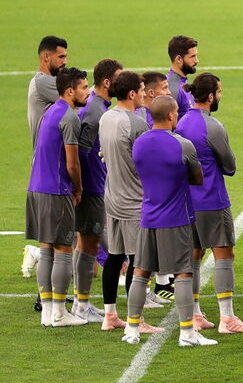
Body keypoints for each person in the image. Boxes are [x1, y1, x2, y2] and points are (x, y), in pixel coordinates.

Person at [122, 95, 215, 347]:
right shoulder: (183, 145)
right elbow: (198, 178)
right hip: (176, 217)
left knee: (140, 272)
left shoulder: (139, 143)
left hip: (148, 216)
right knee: (183, 273)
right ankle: (187, 333)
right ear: (172, 115)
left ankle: (131, 329)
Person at [176, 72, 243, 334]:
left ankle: (196, 314)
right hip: (212, 199)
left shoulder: (180, 122)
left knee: (193, 256)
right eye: (219, 92)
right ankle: (227, 318)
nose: (221, 96)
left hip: (187, 201)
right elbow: (230, 165)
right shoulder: (213, 126)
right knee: (224, 254)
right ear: (210, 96)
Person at [99, 71, 162, 333]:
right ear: (133, 94)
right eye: (141, 89)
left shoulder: (106, 117)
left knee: (114, 258)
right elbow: (149, 163)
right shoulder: (137, 124)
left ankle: (110, 315)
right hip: (134, 201)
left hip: (112, 197)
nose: (146, 93)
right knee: (139, 262)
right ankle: (136, 321)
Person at [26, 66, 89, 327]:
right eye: (85, 87)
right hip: (56, 190)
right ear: (70, 90)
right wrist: (79, 188)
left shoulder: (50, 112)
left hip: (36, 188)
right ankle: (61, 313)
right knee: (63, 247)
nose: (88, 91)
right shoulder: (70, 117)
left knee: (46, 247)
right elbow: (72, 164)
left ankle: (48, 312)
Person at [73, 58, 123, 323]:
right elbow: (81, 152)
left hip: (93, 186)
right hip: (92, 188)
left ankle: (81, 302)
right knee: (89, 244)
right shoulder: (95, 113)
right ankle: (81, 305)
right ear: (107, 82)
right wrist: (82, 186)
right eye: (118, 79)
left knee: (86, 244)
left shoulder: (97, 106)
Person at [135, 70, 175, 303]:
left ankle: (161, 283)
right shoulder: (143, 121)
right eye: (164, 89)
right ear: (151, 92)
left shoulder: (147, 117)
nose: (169, 92)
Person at [28, 35, 68, 146]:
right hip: (47, 158)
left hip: (47, 155)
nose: (65, 62)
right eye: (61, 57)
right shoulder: (43, 81)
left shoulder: (44, 80)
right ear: (46, 57)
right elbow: (78, 100)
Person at [167, 35, 198, 120]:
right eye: (192, 56)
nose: (196, 60)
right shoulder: (172, 89)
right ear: (178, 59)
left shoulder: (182, 82)